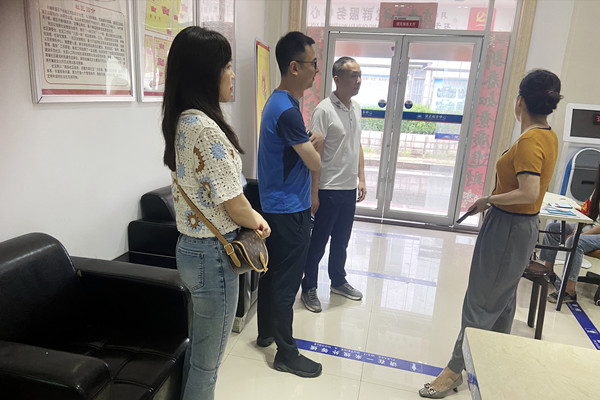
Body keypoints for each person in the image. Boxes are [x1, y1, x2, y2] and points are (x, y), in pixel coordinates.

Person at [418, 69, 562, 398]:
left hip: (508, 228)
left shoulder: (529, 141)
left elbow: (528, 191)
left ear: (520, 101)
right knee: (503, 300)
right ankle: (489, 360)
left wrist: (490, 200)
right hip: (522, 227)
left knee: (481, 302)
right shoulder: (549, 136)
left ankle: (453, 371)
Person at [161, 26, 270, 400]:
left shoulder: (183, 119)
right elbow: (233, 203)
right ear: (205, 73)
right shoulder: (205, 127)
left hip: (192, 249)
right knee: (207, 365)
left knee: (199, 353)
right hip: (214, 255)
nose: (232, 74)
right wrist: (257, 220)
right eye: (226, 66)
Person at [256, 31, 324, 378]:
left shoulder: (278, 102)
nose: (316, 71)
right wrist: (317, 143)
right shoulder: (287, 111)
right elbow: (314, 162)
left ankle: (265, 333)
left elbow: (293, 151)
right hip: (288, 209)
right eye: (313, 64)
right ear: (294, 67)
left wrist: (308, 141)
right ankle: (286, 352)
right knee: (286, 283)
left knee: (272, 275)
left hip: (276, 205)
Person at [301, 56, 366, 313]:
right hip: (328, 189)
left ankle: (338, 281)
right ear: (337, 79)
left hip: (348, 189)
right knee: (318, 243)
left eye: (360, 75)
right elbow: (314, 154)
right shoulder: (324, 110)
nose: (358, 80)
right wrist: (314, 192)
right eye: (353, 76)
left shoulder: (356, 108)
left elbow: (357, 144)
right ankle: (309, 287)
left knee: (341, 241)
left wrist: (361, 177)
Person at [539, 164, 600, 303]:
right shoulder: (597, 190)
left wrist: (579, 235)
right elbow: (585, 212)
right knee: (552, 228)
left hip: (596, 231)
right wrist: (575, 230)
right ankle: (548, 273)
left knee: (574, 241)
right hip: (590, 226)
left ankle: (569, 291)